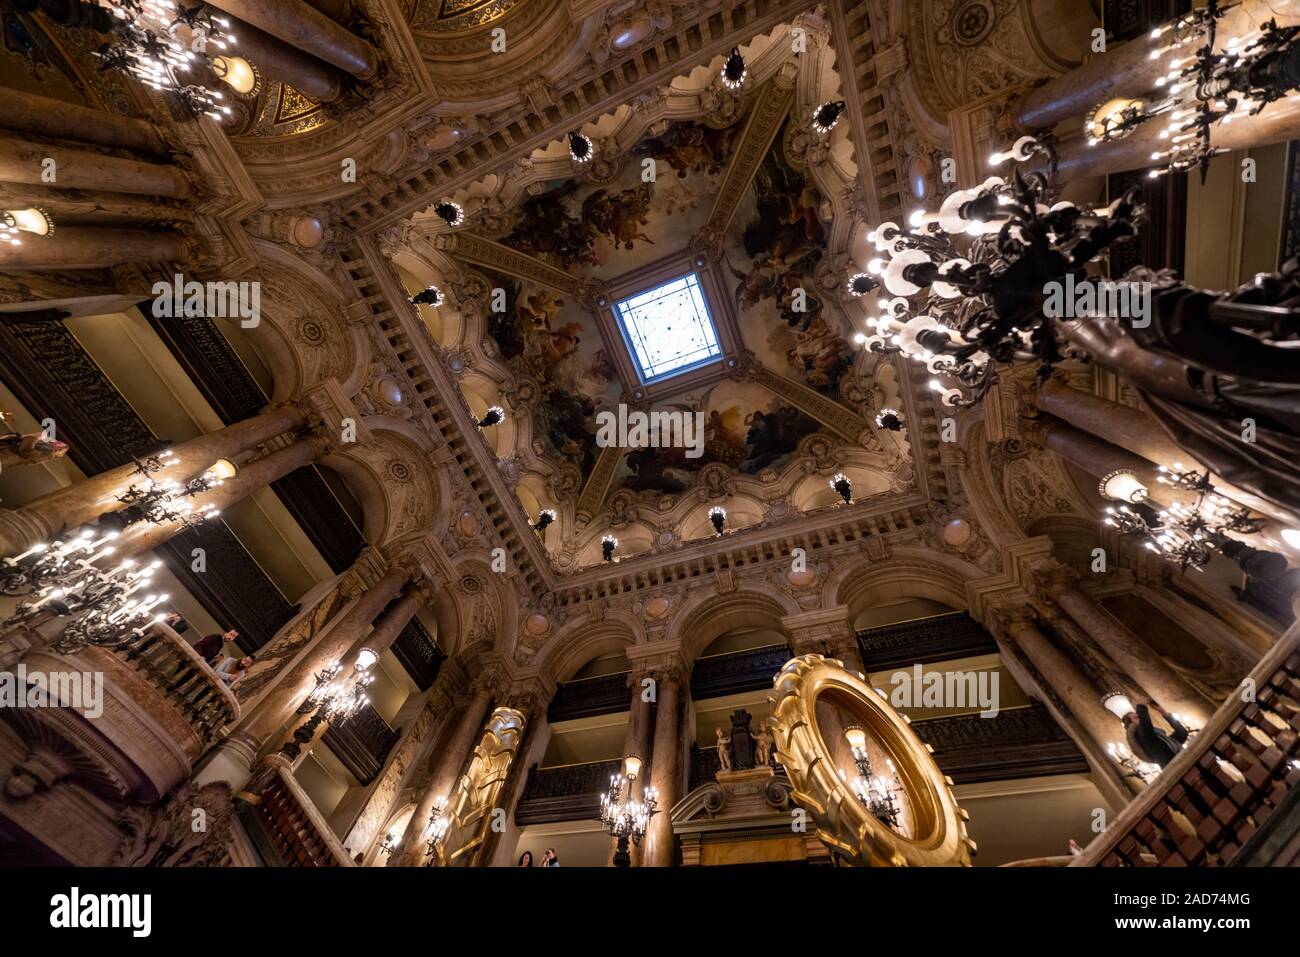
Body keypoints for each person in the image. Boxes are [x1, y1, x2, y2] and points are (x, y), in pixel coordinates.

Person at [1123, 703, 1190, 768]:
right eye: (1136, 717)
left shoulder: (1163, 741)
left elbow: (1182, 733)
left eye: (1139, 716)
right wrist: (1141, 705)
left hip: (1185, 761)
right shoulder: (1142, 737)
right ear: (1131, 725)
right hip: (1176, 768)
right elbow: (1145, 724)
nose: (1140, 718)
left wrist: (1162, 711)